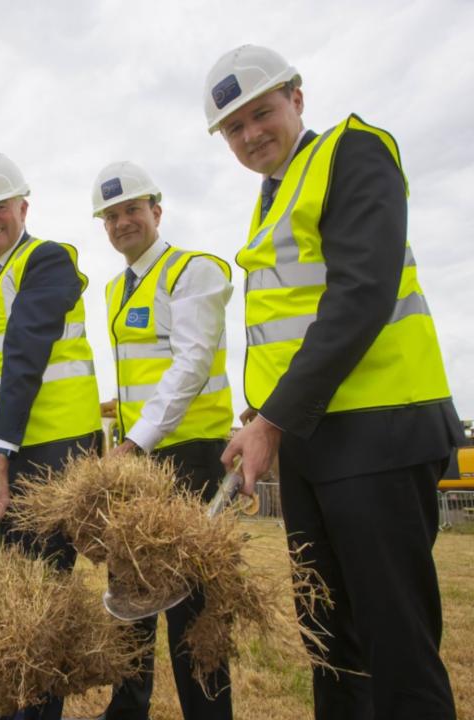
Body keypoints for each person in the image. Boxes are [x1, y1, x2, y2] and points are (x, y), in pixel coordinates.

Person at [205, 44, 460, 719]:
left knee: (395, 648)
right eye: (233, 127)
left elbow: (362, 294)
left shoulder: (353, 153)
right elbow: (287, 326)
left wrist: (271, 420)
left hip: (379, 432)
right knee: (331, 644)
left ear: (297, 97)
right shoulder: (272, 195)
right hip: (315, 441)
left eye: (261, 113)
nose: (250, 133)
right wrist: (259, 416)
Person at [0, 152, 103, 720]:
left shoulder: (50, 260)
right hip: (6, 453)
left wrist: (0, 456)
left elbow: (25, 355)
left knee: (40, 599)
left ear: (24, 206)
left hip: (53, 454)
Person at [91, 162, 234, 720]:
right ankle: (126, 710)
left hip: (190, 458)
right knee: (129, 596)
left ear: (157, 209)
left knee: (194, 610)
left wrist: (138, 442)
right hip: (139, 460)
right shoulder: (114, 290)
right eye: (111, 215)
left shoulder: (192, 271)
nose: (122, 221)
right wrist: (129, 448)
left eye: (132, 209)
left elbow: (192, 362)